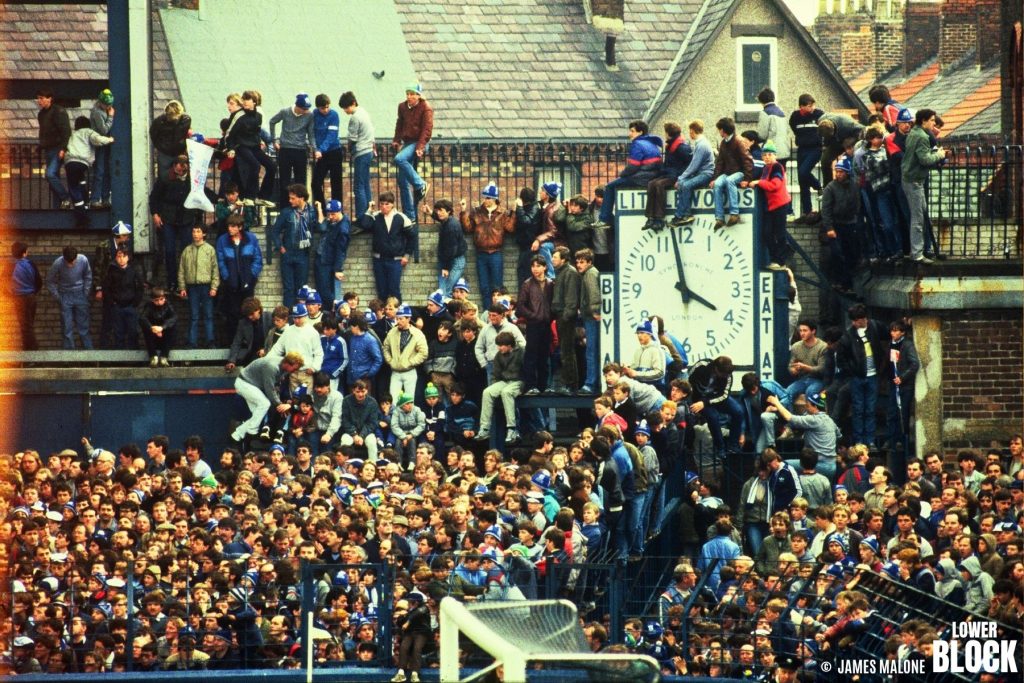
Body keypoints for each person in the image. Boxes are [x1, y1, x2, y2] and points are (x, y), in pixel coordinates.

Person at [596, 120, 663, 228]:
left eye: (632, 131)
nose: (629, 134)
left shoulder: (637, 144)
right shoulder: (652, 144)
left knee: (610, 186)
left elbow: (633, 166)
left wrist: (622, 174)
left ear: (640, 132)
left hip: (641, 178)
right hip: (652, 177)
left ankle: (604, 219)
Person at [838, 304, 887, 448]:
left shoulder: (875, 327)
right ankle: (860, 440)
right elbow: (841, 358)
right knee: (859, 409)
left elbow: (890, 333)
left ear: (864, 319)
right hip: (857, 377)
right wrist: (852, 371)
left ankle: (869, 440)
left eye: (857, 320)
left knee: (870, 409)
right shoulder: (848, 335)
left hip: (872, 375)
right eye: (853, 321)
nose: (854, 323)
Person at [901, 108, 947, 265]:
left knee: (920, 215)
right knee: (918, 218)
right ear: (924, 121)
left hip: (910, 179)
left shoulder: (913, 133)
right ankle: (917, 254)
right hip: (915, 181)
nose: (934, 123)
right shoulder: (921, 137)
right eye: (932, 120)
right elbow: (925, 159)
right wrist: (940, 155)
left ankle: (918, 251)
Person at [229, 351, 303, 446]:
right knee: (265, 404)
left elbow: (275, 388)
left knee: (257, 413)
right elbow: (270, 390)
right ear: (287, 363)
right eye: (294, 369)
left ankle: (237, 435)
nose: (294, 371)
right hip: (245, 383)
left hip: (251, 384)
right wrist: (280, 405)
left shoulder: (282, 366)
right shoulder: (272, 367)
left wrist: (280, 404)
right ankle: (252, 431)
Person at [460, 183, 514, 307]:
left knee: (497, 287)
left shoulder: (502, 213)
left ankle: (498, 312)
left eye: (488, 198)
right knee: (484, 287)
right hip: (481, 253)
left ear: (495, 198)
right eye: (485, 197)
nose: (486, 200)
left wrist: (515, 212)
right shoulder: (477, 212)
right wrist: (463, 211)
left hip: (496, 253)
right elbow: (468, 228)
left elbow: (510, 229)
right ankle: (487, 312)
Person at [150, 154, 198, 291]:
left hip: (186, 217)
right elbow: (154, 197)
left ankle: (185, 282)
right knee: (169, 251)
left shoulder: (191, 178)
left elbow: (201, 192)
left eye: (183, 171)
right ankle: (172, 281)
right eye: (178, 170)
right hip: (168, 218)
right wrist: (155, 214)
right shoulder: (165, 178)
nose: (181, 173)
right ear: (174, 166)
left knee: (186, 251)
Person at [765, 392, 839, 480]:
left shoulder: (815, 420)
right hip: (832, 465)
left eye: (807, 406)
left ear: (815, 407)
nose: (806, 408)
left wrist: (777, 403)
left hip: (820, 465)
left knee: (783, 465)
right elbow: (838, 435)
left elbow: (789, 418)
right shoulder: (830, 421)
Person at [358, 191, 415, 301]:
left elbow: (412, 237)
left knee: (394, 290)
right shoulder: (375, 217)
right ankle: (383, 315)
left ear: (392, 204)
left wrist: (407, 255)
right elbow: (364, 224)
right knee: (382, 290)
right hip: (379, 259)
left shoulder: (401, 218)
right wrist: (369, 210)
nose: (384, 206)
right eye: (382, 204)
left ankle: (398, 314)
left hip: (395, 260)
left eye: (387, 204)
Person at [216, 214, 264, 337]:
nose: (230, 229)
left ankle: (249, 340)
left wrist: (251, 276)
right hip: (231, 284)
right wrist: (227, 277)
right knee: (232, 314)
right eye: (229, 226)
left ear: (240, 227)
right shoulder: (222, 240)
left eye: (233, 227)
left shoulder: (251, 238)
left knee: (249, 312)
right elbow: (220, 262)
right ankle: (233, 341)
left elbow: (257, 259)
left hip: (247, 283)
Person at [392, 83, 433, 223]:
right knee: (402, 180)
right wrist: (397, 139)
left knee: (399, 159)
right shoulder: (402, 107)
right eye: (407, 93)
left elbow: (427, 130)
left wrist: (420, 147)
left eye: (412, 94)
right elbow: (399, 123)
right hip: (408, 142)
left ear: (418, 95)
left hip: (420, 141)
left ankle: (421, 184)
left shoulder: (426, 108)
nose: (409, 96)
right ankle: (410, 216)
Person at [474, 331, 525, 444]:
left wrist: (525, 386)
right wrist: (495, 386)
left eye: (502, 345)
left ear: (509, 345)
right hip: (504, 381)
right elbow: (496, 374)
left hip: (518, 381)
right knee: (487, 392)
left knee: (506, 392)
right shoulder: (498, 355)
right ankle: (485, 428)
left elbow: (527, 370)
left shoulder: (521, 352)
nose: (499, 348)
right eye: (498, 345)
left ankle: (512, 429)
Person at [747, 140, 791, 270]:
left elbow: (774, 185)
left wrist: (758, 182)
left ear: (775, 156)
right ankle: (775, 259)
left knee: (780, 234)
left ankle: (781, 261)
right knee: (767, 233)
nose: (767, 157)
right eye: (765, 155)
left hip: (779, 204)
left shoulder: (777, 167)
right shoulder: (766, 168)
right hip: (771, 206)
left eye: (770, 154)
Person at [687, 356, 743, 458]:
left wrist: (705, 402)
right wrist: (691, 401)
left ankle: (733, 444)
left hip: (715, 398)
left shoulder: (728, 375)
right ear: (716, 368)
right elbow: (688, 381)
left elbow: (724, 395)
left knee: (738, 411)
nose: (725, 376)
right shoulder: (702, 366)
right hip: (698, 397)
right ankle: (720, 447)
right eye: (722, 374)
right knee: (713, 417)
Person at [272, 183, 317, 308]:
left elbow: (321, 227)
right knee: (288, 288)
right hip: (288, 253)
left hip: (303, 254)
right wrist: (281, 248)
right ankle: (288, 316)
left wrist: (319, 210)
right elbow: (275, 231)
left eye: (293, 198)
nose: (289, 200)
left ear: (301, 198)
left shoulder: (312, 212)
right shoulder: (286, 212)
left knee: (301, 288)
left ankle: (300, 314)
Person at [64, 116, 113, 227]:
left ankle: (82, 212)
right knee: (80, 183)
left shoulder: (74, 134)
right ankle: (84, 205)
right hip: (82, 163)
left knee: (73, 187)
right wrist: (110, 140)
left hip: (70, 163)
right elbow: (97, 139)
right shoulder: (89, 132)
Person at [269, 93, 315, 208]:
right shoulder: (285, 112)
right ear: (298, 106)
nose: (306, 110)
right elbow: (272, 121)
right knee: (285, 180)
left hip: (300, 150)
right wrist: (274, 140)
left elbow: (311, 134)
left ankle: (301, 207)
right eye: (304, 108)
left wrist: (315, 148)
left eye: (308, 108)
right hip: (285, 149)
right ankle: (285, 208)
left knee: (301, 181)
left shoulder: (309, 116)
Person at [644, 121, 692, 231]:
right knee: (651, 184)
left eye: (665, 132)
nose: (664, 135)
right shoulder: (671, 145)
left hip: (676, 176)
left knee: (658, 185)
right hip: (669, 173)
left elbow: (689, 164)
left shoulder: (681, 147)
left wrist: (681, 177)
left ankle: (659, 218)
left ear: (669, 133)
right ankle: (650, 217)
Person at [178, 226, 220, 349]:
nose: (195, 234)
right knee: (194, 316)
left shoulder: (210, 250)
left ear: (204, 234)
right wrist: (182, 287)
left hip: (206, 286)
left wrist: (214, 287)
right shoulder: (187, 250)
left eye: (198, 231)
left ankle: (210, 341)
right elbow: (181, 270)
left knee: (208, 315)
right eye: (193, 231)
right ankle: (192, 343)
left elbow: (215, 270)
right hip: (192, 287)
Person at [709, 117, 754, 229]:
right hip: (728, 172)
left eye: (719, 129)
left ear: (723, 130)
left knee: (730, 181)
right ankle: (719, 218)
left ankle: (734, 214)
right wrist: (715, 178)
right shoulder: (724, 143)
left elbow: (747, 160)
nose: (719, 132)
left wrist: (747, 179)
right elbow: (719, 162)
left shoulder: (739, 141)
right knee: (718, 184)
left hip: (740, 172)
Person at [517, 255, 553, 396]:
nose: (535, 269)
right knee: (531, 356)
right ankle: (530, 385)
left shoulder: (551, 284)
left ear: (545, 267)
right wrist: (534, 316)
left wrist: (550, 316)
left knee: (545, 357)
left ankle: (544, 386)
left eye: (538, 266)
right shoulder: (527, 284)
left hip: (546, 325)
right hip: (533, 325)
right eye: (533, 266)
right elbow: (520, 307)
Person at [46, 245, 93, 350]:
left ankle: (89, 357)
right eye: (69, 262)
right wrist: (58, 297)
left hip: (80, 294)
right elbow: (49, 281)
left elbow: (88, 276)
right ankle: (69, 358)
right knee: (67, 328)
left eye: (73, 261)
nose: (71, 264)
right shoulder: (58, 263)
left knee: (84, 328)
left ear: (76, 257)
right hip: (65, 295)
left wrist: (85, 292)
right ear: (64, 258)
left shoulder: (83, 260)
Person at [671, 119, 715, 226]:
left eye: (689, 131)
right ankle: (682, 215)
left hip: (706, 174)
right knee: (683, 184)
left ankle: (685, 215)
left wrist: (681, 177)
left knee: (685, 185)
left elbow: (694, 166)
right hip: (701, 173)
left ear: (692, 131)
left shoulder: (701, 145)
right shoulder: (700, 143)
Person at [788, 94, 824, 223]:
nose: (812, 108)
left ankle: (819, 187)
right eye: (809, 106)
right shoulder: (795, 117)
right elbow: (795, 129)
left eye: (813, 105)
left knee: (804, 172)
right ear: (801, 107)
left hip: (815, 148)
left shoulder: (819, 114)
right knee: (802, 180)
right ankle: (807, 211)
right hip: (802, 149)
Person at [886, 320, 919, 460]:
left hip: (904, 386)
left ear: (903, 332)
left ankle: (901, 440)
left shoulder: (907, 345)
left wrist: (903, 378)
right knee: (892, 412)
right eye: (892, 330)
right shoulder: (891, 344)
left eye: (896, 330)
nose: (893, 333)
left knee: (902, 413)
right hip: (893, 384)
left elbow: (914, 364)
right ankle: (892, 439)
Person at [340, 91, 375, 218]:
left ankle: (361, 216)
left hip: (360, 152)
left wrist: (349, 149)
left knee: (358, 187)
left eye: (346, 107)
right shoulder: (364, 112)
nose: (345, 110)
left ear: (353, 103)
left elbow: (352, 139)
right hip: (369, 151)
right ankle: (369, 213)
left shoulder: (355, 117)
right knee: (366, 184)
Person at [382, 304, 428, 400]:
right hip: (395, 372)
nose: (398, 321)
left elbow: (423, 353)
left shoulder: (417, 334)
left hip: (410, 372)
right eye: (397, 318)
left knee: (409, 400)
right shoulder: (392, 332)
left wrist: (410, 362)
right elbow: (385, 348)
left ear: (408, 319)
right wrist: (390, 361)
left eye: (401, 319)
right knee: (394, 401)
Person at [36, 88, 72, 209]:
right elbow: (44, 132)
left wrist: (63, 148)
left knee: (50, 174)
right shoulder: (41, 114)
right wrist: (41, 145)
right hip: (48, 149)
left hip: (57, 148)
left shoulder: (58, 111)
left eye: (41, 98)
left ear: (49, 98)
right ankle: (60, 205)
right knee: (52, 177)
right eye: (38, 98)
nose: (39, 101)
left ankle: (66, 198)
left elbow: (66, 131)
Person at [551, 246, 580, 394]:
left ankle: (571, 385)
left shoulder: (570, 273)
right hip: (560, 315)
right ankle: (568, 383)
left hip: (565, 316)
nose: (552, 259)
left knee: (567, 351)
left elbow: (571, 298)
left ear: (563, 259)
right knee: (564, 351)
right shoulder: (561, 272)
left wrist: (567, 316)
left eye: (555, 257)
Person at [102, 247, 144, 350]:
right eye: (119, 256)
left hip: (130, 306)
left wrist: (135, 303)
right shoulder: (111, 272)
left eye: (124, 256)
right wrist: (112, 302)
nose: (121, 259)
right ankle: (120, 357)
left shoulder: (133, 271)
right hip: (117, 307)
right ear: (116, 258)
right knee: (118, 332)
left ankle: (133, 358)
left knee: (132, 332)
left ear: (128, 258)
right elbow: (106, 289)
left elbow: (140, 287)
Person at [575, 248, 601, 393]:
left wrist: (595, 311)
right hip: (588, 316)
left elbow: (594, 293)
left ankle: (590, 383)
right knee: (591, 350)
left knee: (591, 351)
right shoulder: (588, 273)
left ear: (589, 262)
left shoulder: (590, 274)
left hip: (591, 318)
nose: (579, 265)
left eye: (582, 262)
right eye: (577, 262)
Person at [314, 199, 350, 304]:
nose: (330, 217)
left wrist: (338, 269)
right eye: (328, 214)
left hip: (327, 262)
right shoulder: (333, 221)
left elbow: (341, 250)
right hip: (321, 259)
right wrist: (320, 210)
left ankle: (331, 313)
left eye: (332, 214)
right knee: (321, 290)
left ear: (340, 212)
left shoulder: (343, 228)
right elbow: (321, 226)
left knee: (326, 293)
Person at [310, 93, 342, 209]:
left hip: (334, 152)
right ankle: (322, 210)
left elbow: (331, 136)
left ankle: (337, 211)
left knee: (336, 184)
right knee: (315, 183)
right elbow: (311, 133)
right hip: (322, 154)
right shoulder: (313, 115)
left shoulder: (334, 115)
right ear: (318, 107)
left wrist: (320, 150)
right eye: (323, 108)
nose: (326, 110)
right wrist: (316, 148)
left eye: (327, 107)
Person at [9, 242, 42, 350]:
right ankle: (29, 354)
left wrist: (11, 294)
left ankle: (32, 354)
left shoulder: (11, 266)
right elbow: (39, 282)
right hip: (31, 298)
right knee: (28, 325)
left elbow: (2, 283)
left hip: (19, 299)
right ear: (24, 253)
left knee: (26, 327)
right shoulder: (31, 264)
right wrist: (33, 292)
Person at [150, 100, 191, 180]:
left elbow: (154, 135)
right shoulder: (185, 120)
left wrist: (161, 147)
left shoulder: (159, 122)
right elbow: (153, 135)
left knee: (169, 177)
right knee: (169, 177)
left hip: (171, 153)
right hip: (172, 152)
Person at [434, 199, 467, 298]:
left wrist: (446, 267)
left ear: (448, 211)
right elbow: (439, 218)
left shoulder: (451, 226)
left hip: (454, 261)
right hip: (447, 260)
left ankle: (446, 312)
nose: (438, 213)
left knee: (446, 291)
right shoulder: (447, 221)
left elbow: (452, 249)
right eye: (437, 210)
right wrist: (431, 213)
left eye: (441, 210)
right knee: (443, 291)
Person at [89, 88, 115, 208]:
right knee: (99, 172)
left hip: (106, 144)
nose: (108, 106)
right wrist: (110, 117)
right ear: (101, 102)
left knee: (106, 172)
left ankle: (105, 198)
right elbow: (103, 130)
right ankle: (95, 199)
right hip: (100, 144)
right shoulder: (97, 112)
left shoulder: (102, 109)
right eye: (106, 104)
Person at [139, 288, 177, 367]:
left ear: (164, 298)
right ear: (152, 300)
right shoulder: (149, 305)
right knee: (145, 328)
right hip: (153, 336)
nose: (159, 302)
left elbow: (174, 317)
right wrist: (152, 328)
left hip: (164, 336)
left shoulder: (168, 304)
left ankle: (164, 356)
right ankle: (153, 357)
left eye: (161, 299)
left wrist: (162, 327)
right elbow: (142, 318)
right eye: (156, 300)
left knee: (173, 327)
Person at [756, 88, 790, 165]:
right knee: (781, 174)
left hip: (771, 152)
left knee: (771, 175)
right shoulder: (782, 112)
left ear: (761, 101)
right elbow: (787, 131)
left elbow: (762, 135)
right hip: (784, 150)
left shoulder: (765, 113)